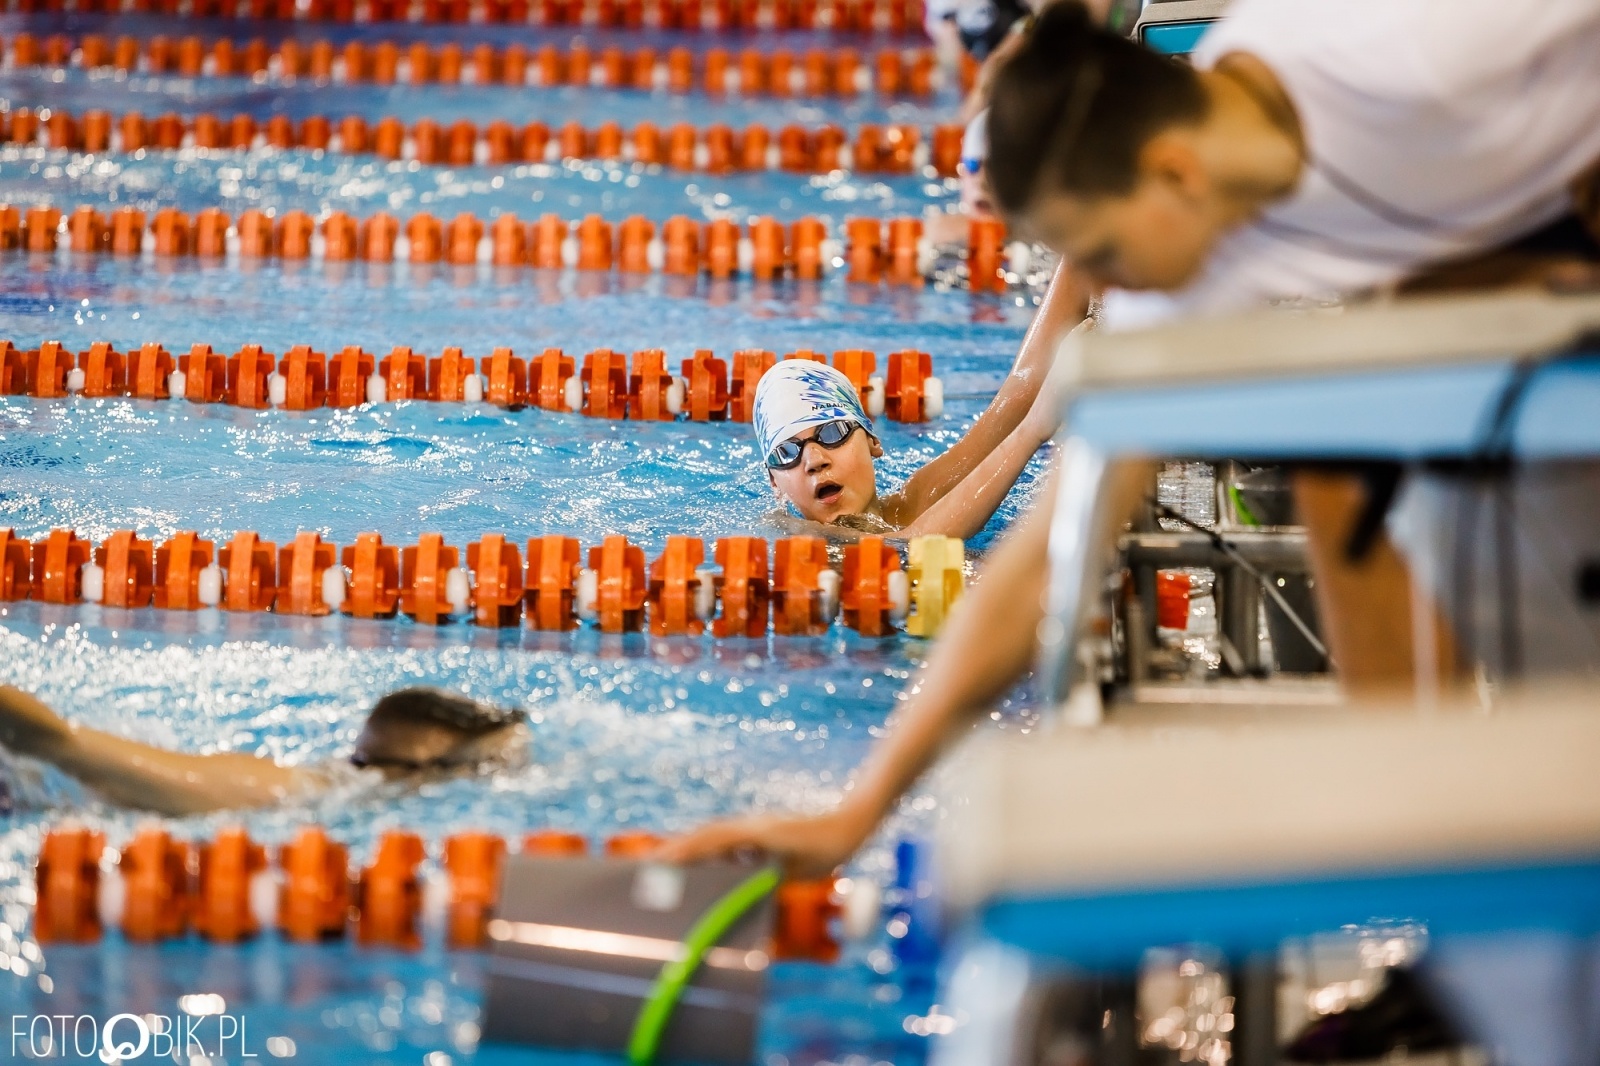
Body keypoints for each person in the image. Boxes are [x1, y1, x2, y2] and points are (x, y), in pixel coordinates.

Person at [663, 0, 1600, 876]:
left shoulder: (1396, 49)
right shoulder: (1187, 251)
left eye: (1099, 254)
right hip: (1526, 268)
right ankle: (1432, 863)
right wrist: (857, 812)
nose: (1109, 289)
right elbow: (1044, 554)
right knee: (1339, 475)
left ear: (1170, 172)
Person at [756, 264, 1088, 542]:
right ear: (774, 481)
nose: (813, 460)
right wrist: (1032, 431)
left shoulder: (911, 503)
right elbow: (914, 544)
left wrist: (1081, 250)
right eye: (786, 452)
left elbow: (1018, 395)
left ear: (873, 440)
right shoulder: (802, 534)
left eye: (832, 432)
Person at [0, 684, 528, 816]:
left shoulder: (319, 791)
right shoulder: (274, 792)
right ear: (423, 769)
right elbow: (54, 741)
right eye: (482, 768)